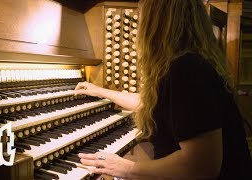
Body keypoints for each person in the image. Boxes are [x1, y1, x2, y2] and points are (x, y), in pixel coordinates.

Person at [74, 0, 252, 179]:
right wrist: (100, 91)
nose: (139, 24)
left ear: (156, 22)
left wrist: (127, 169)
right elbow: (152, 103)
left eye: (142, 14)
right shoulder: (192, 63)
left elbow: (201, 167)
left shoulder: (187, 69)